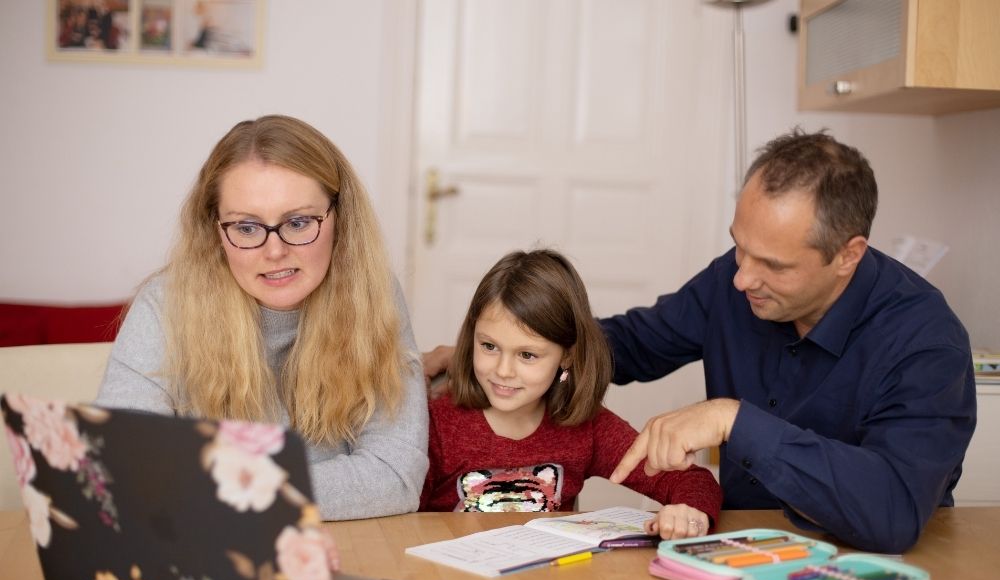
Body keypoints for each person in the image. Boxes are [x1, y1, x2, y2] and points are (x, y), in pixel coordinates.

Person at [425, 129, 976, 553]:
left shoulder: (926, 344)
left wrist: (735, 420)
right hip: (733, 548)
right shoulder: (734, 283)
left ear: (848, 256)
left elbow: (894, 512)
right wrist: (527, 348)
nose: (741, 279)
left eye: (773, 265)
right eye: (739, 247)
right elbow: (631, 343)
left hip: (863, 563)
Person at [97, 115, 428, 520]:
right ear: (214, 229)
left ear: (340, 218)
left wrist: (211, 489)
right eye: (247, 227)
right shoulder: (163, 307)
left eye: (299, 222)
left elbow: (395, 478)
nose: (274, 251)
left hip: (347, 547)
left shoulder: (375, 295)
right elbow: (121, 470)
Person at [420, 249, 722, 539]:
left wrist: (688, 513)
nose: (503, 370)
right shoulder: (437, 425)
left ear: (566, 356)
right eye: (489, 346)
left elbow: (692, 480)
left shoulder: (587, 428)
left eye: (527, 355)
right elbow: (399, 520)